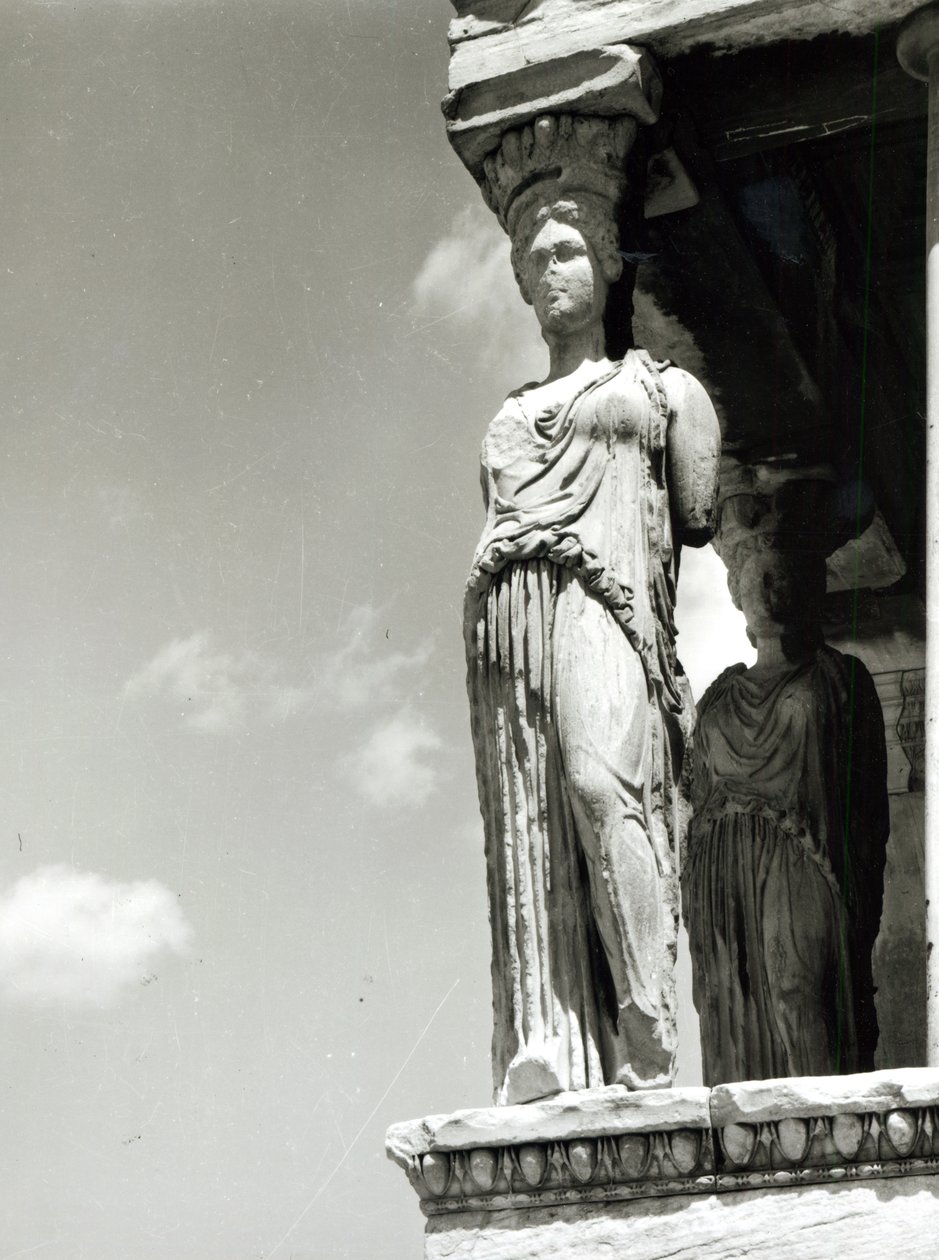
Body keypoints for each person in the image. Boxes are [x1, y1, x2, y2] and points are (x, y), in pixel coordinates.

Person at [464, 115, 721, 1104]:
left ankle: (648, 1022)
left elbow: (697, 511)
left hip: (601, 607)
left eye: (569, 251)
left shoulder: (665, 391)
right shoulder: (505, 415)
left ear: (610, 264)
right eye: (534, 261)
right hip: (509, 621)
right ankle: (548, 1040)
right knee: (532, 823)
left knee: (598, 784)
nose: (551, 273)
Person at [684, 538, 888, 1085]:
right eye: (758, 581)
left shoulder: (840, 678)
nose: (770, 593)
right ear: (736, 594)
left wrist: (863, 897)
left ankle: (825, 1136)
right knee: (733, 1007)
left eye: (782, 578)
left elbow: (869, 807)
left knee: (798, 993)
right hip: (722, 866)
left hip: (804, 858)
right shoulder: (720, 695)